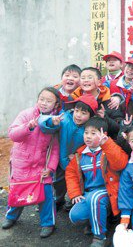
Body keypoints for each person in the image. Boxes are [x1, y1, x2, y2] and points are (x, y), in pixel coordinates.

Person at [2, 87, 60, 238]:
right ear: (37, 100)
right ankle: (11, 216)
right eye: (42, 99)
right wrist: (28, 127)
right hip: (21, 164)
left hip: (41, 166)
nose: (44, 103)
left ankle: (48, 224)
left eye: (49, 101)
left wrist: (51, 167)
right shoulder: (26, 114)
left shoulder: (54, 121)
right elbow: (13, 135)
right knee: (18, 192)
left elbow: (54, 149)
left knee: (46, 193)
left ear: (55, 104)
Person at [66, 117, 128, 247]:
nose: (88, 136)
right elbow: (70, 174)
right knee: (74, 215)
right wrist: (75, 193)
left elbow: (121, 164)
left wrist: (107, 144)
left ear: (103, 134)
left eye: (93, 133)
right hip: (88, 194)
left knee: (95, 199)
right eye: (86, 132)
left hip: (109, 193)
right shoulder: (80, 155)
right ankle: (97, 220)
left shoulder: (109, 149)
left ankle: (99, 236)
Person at [39, 94, 98, 210]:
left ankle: (74, 200)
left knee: (77, 180)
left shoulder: (89, 129)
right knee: (58, 182)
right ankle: (58, 200)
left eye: (84, 113)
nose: (79, 115)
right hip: (58, 157)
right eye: (77, 111)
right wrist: (52, 122)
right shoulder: (64, 119)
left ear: (90, 116)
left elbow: (90, 146)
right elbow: (45, 125)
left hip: (74, 160)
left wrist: (78, 155)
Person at [70, 67, 125, 139]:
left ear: (99, 82)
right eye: (83, 78)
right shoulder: (72, 99)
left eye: (90, 77)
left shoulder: (110, 102)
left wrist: (105, 118)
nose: (86, 80)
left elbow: (118, 129)